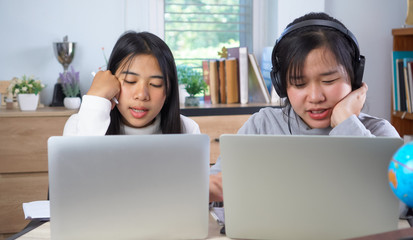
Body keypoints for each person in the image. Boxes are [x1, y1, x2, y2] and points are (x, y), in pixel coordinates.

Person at [208, 12, 400, 201]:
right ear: (281, 85)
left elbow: (397, 205)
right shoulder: (262, 126)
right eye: (299, 84)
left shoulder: (378, 133)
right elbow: (213, 186)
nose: (315, 97)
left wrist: (346, 123)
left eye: (329, 80)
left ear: (355, 77)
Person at [63, 31, 199, 135]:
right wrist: (96, 97)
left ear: (169, 90)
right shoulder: (77, 125)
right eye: (130, 81)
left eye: (156, 83)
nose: (141, 95)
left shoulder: (187, 129)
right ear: (112, 81)